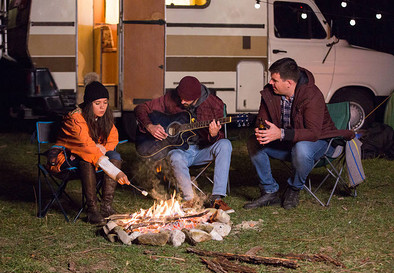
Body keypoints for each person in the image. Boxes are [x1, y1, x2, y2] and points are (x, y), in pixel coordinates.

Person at [244, 58, 354, 210]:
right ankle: (269, 190)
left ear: (288, 83)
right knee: (253, 141)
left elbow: (313, 133)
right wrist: (262, 129)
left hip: (320, 143)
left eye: (274, 80)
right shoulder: (270, 92)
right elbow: (262, 119)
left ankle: (294, 188)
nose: (270, 83)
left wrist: (280, 133)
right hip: (288, 142)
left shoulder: (312, 95)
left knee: (301, 148)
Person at [134, 76, 233, 212]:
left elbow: (219, 137)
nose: (181, 101)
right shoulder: (172, 98)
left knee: (225, 145)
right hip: (181, 151)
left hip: (203, 149)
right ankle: (189, 200)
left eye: (186, 99)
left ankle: (217, 199)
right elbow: (141, 108)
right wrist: (150, 126)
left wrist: (214, 134)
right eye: (180, 97)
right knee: (175, 156)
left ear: (196, 96)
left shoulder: (214, 104)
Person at [50, 81, 130, 224]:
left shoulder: (104, 117)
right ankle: (92, 210)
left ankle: (106, 207)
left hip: (93, 155)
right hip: (66, 159)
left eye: (105, 102)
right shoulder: (75, 119)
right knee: (86, 160)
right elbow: (86, 146)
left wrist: (103, 148)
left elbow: (113, 138)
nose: (102, 107)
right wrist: (116, 173)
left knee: (115, 156)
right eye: (97, 103)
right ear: (88, 104)